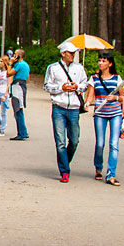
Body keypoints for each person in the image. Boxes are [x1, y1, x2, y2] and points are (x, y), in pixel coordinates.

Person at [44, 43, 88, 182]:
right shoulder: (53, 68)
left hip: (74, 108)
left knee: (74, 140)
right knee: (60, 141)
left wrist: (77, 86)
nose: (72, 55)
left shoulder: (79, 68)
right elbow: (47, 86)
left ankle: (65, 160)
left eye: (74, 52)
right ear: (63, 53)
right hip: (59, 106)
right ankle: (64, 171)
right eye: (70, 52)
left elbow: (85, 84)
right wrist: (61, 88)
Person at [84, 51, 124, 186]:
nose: (100, 63)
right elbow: (91, 95)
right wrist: (88, 103)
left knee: (114, 144)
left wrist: (116, 97)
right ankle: (98, 167)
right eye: (99, 60)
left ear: (110, 63)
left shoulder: (117, 79)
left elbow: (123, 97)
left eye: (104, 61)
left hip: (115, 113)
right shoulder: (94, 78)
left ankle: (111, 174)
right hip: (100, 113)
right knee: (100, 143)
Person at [7, 48, 30, 141]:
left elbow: (8, 74)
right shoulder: (26, 65)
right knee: (19, 110)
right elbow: (28, 79)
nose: (13, 56)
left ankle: (22, 133)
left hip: (17, 86)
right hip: (22, 85)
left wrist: (10, 63)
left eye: (15, 54)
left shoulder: (19, 65)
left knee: (17, 110)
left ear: (19, 55)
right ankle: (23, 131)